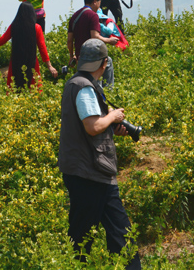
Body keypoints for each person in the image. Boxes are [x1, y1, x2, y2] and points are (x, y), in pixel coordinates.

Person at [58, 38, 141, 269]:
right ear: (104, 63)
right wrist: (113, 117)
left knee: (102, 230)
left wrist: (113, 127)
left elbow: (92, 126)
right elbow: (92, 126)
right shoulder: (84, 86)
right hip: (91, 172)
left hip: (90, 171)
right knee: (97, 232)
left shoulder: (76, 83)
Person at [0, 2, 58, 89]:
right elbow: (42, 48)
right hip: (32, 62)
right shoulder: (37, 28)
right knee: (34, 88)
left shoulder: (14, 26)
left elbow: (2, 40)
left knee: (13, 88)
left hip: (15, 62)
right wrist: (49, 66)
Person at [67, 0, 119, 88]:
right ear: (95, 1)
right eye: (99, 3)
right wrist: (109, 40)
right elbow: (95, 36)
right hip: (93, 55)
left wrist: (72, 56)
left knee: (85, 80)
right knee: (106, 64)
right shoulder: (93, 15)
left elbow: (70, 40)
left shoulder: (74, 16)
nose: (99, 6)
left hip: (80, 57)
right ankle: (107, 92)